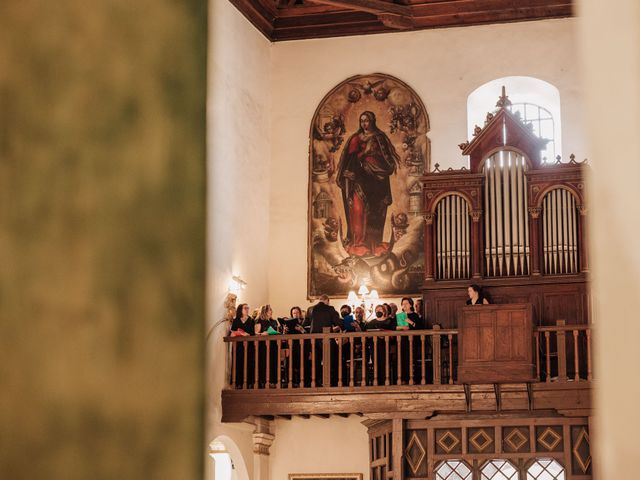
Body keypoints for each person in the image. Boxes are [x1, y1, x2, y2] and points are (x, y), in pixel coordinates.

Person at [336, 111, 400, 257]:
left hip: (377, 183)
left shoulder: (379, 138)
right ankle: (359, 243)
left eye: (367, 120)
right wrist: (364, 153)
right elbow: (350, 160)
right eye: (362, 121)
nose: (364, 123)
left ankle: (374, 244)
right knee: (358, 210)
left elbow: (388, 163)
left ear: (373, 121)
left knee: (376, 212)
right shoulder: (355, 139)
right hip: (358, 181)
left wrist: (373, 159)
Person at [310, 294, 343, 386]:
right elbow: (338, 322)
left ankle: (316, 382)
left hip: (314, 339)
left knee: (316, 362)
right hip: (327, 339)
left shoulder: (311, 309)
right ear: (327, 301)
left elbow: (307, 324)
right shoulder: (330, 309)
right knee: (332, 360)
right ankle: (331, 382)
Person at [229, 303, 255, 388]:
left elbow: (252, 333)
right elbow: (232, 333)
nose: (247, 309)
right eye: (245, 308)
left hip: (249, 346)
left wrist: (246, 334)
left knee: (249, 363)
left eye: (248, 308)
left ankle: (249, 383)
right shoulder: (236, 320)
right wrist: (240, 333)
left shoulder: (251, 320)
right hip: (238, 346)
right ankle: (238, 383)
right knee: (238, 363)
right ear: (240, 310)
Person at [255, 304, 281, 387]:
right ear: (265, 311)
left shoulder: (274, 321)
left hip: (273, 344)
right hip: (263, 345)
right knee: (264, 362)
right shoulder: (259, 320)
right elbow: (255, 333)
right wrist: (262, 333)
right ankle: (263, 381)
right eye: (270, 310)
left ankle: (273, 381)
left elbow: (276, 331)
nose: (271, 311)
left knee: (274, 362)